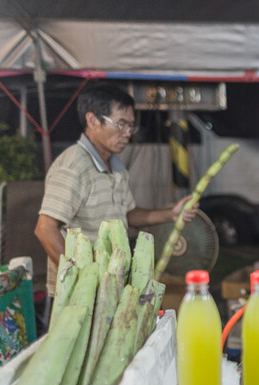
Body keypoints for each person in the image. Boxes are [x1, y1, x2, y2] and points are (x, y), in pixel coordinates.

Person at [35, 82, 197, 295]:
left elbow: (127, 215)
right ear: (92, 120)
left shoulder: (116, 168)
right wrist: (82, 279)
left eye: (131, 126)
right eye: (120, 124)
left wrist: (171, 213)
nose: (128, 133)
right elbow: (45, 229)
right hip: (79, 293)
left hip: (111, 287)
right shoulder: (74, 166)